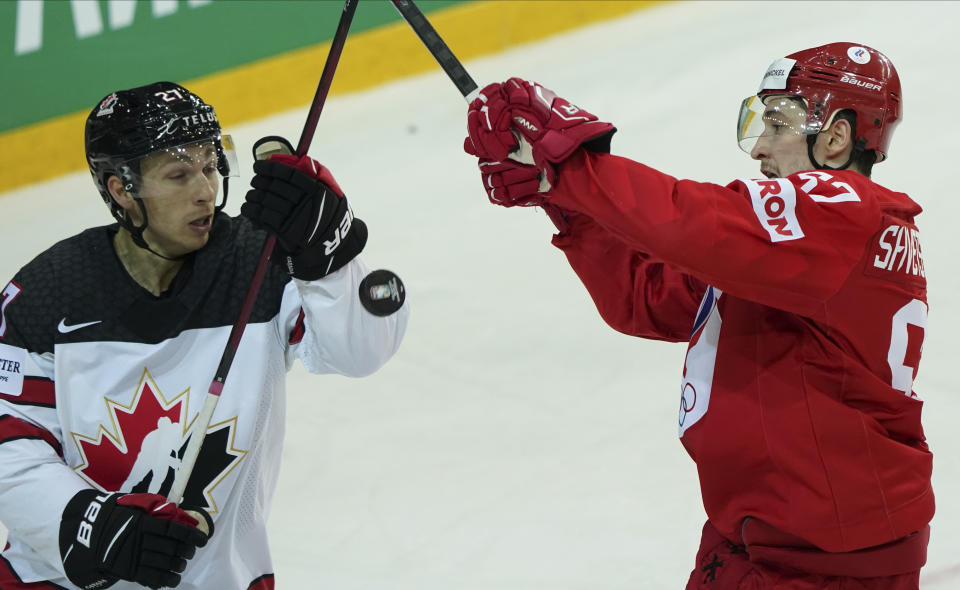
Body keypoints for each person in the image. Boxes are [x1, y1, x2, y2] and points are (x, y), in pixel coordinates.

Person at [462, 43, 932, 589]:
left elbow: (693, 223)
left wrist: (575, 165)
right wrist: (566, 201)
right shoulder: (799, 249)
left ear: (834, 137)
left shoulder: (847, 210)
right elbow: (647, 295)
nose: (759, 148)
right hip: (757, 533)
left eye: (778, 124)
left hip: (828, 558)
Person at [0, 81, 408, 589]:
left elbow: (362, 351)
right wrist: (93, 525)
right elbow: (8, 442)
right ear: (121, 189)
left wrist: (328, 256)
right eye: (178, 175)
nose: (205, 190)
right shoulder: (49, 292)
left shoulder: (260, 261)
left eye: (210, 166)